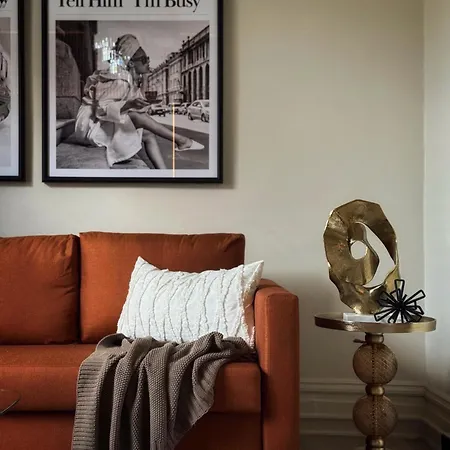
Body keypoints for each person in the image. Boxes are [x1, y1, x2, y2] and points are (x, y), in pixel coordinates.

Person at [73, 34, 203, 169]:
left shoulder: (127, 77)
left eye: (148, 58)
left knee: (148, 135)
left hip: (98, 124)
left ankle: (164, 174)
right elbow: (101, 110)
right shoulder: (120, 80)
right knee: (136, 117)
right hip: (89, 127)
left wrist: (145, 78)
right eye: (144, 59)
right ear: (130, 63)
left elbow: (139, 104)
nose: (148, 62)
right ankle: (180, 140)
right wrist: (129, 104)